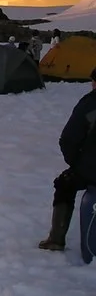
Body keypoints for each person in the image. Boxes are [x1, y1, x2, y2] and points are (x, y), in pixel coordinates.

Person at [38, 66, 96, 251]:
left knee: (64, 185)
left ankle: (56, 239)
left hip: (91, 170)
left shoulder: (89, 104)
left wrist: (77, 165)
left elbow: (68, 141)